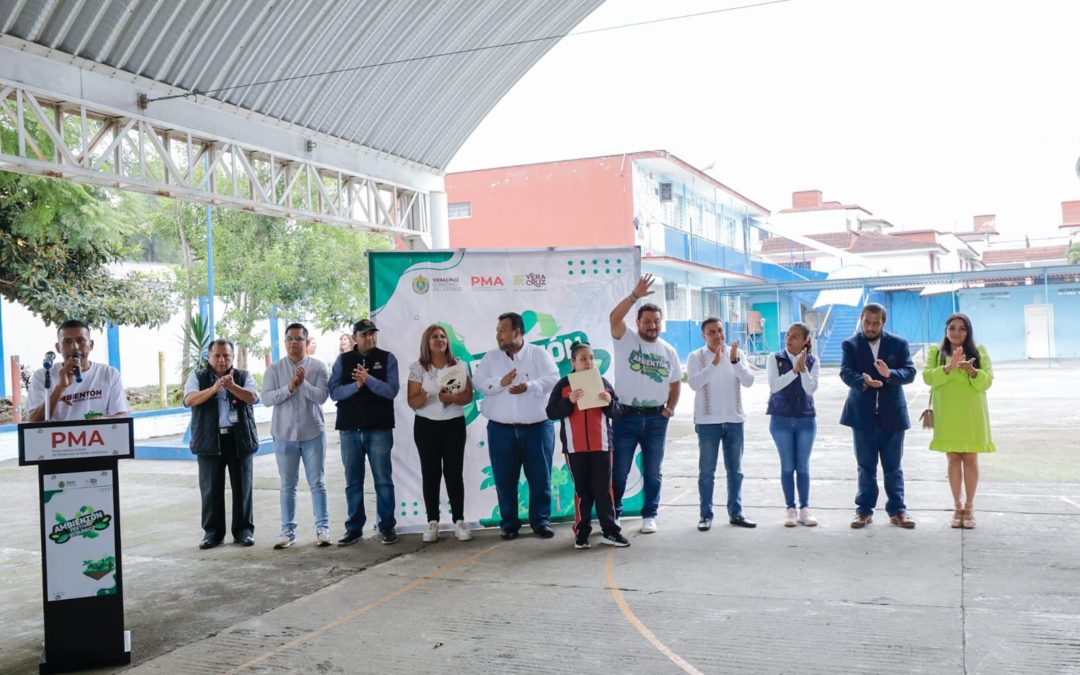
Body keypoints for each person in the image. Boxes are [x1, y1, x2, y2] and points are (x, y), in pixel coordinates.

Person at [473, 312, 559, 540]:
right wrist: (499, 383)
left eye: (502, 330)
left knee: (541, 478)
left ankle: (541, 522)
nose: (498, 335)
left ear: (517, 332)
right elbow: (478, 383)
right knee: (504, 478)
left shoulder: (538, 354)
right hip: (501, 430)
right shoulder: (491, 358)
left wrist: (529, 386)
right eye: (497, 330)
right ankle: (509, 524)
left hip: (537, 429)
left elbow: (554, 378)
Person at [608, 274, 682, 534]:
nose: (652, 326)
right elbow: (613, 319)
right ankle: (614, 514)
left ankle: (649, 514)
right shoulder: (626, 340)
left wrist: (669, 409)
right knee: (619, 471)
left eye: (656, 322)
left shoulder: (668, 351)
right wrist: (634, 296)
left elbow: (675, 384)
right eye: (647, 321)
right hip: (625, 416)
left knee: (653, 471)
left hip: (655, 419)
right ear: (638, 322)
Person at [839, 303, 917, 529]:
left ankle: (898, 510)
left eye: (876, 323)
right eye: (867, 322)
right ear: (861, 319)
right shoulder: (850, 344)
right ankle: (863, 511)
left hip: (892, 416)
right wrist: (863, 381)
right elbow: (845, 371)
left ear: (884, 323)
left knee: (893, 467)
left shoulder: (899, 344)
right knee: (866, 467)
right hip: (862, 416)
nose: (870, 327)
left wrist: (889, 374)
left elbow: (910, 372)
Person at [546, 342, 630, 549]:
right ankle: (582, 533)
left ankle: (610, 531)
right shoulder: (563, 385)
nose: (588, 362)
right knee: (583, 492)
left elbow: (618, 412)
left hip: (602, 446)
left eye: (591, 358)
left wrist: (609, 402)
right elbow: (551, 412)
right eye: (583, 359)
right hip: (575, 449)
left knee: (603, 491)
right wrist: (569, 401)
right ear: (572, 362)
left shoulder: (603, 383)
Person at [330, 319, 400, 546]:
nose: (369, 338)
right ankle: (354, 528)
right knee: (353, 482)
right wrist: (356, 386)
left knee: (383, 481)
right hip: (349, 431)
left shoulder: (387, 358)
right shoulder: (343, 360)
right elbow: (334, 392)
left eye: (372, 334)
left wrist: (368, 379)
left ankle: (387, 526)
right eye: (364, 335)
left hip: (379, 429)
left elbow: (391, 391)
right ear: (355, 338)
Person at [184, 339, 259, 549]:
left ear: (232, 358)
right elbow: (189, 399)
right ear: (208, 358)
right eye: (216, 355)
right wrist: (215, 388)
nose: (221, 359)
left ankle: (243, 531)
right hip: (209, 440)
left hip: (239, 440)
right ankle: (213, 534)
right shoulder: (197, 376)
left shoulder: (243, 376)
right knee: (210, 490)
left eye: (226, 355)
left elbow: (253, 397)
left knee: (243, 488)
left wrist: (232, 386)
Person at [262, 323, 331, 549]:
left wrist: (304, 385)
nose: (294, 343)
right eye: (290, 339)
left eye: (298, 339)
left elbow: (322, 397)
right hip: (283, 434)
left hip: (313, 432)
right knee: (287, 485)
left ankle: (323, 528)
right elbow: (267, 399)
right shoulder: (274, 369)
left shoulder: (319, 367)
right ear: (285, 342)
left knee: (317, 482)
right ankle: (287, 531)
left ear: (306, 341)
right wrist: (290, 387)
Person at [923, 313, 994, 529]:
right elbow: (928, 377)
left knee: (970, 459)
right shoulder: (936, 353)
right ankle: (956, 506)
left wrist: (973, 371)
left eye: (962, 328)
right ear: (946, 331)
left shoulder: (979, 352)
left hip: (972, 413)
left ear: (968, 331)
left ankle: (969, 507)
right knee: (953, 459)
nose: (956, 332)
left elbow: (987, 382)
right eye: (952, 327)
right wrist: (948, 367)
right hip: (947, 413)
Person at [406, 324, 475, 543]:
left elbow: (468, 397)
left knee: (454, 473)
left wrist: (452, 398)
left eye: (443, 336)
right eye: (434, 337)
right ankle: (432, 521)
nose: (440, 340)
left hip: (453, 424)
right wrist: (426, 394)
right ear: (427, 342)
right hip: (426, 426)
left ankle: (459, 521)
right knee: (431, 473)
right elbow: (412, 401)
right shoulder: (419, 368)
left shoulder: (459, 366)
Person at [687, 317, 756, 530]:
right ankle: (705, 515)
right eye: (711, 332)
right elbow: (694, 383)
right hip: (708, 422)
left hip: (734, 421)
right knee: (707, 471)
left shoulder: (737, 354)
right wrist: (713, 364)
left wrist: (734, 361)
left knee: (735, 471)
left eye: (720, 330)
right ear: (703, 335)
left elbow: (749, 381)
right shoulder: (695, 356)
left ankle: (736, 513)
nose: (717, 335)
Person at [766, 322, 820, 528]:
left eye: (795, 336)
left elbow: (810, 390)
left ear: (805, 341)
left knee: (803, 466)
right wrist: (793, 372)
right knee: (788, 466)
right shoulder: (775, 358)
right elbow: (774, 386)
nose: (789, 339)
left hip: (806, 419)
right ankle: (790, 509)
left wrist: (803, 369)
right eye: (788, 335)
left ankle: (805, 509)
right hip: (780, 419)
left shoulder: (814, 360)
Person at [28, 320, 127, 421]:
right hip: (58, 436)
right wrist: (60, 388)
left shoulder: (109, 374)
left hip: (97, 436)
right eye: (67, 342)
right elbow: (33, 421)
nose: (74, 347)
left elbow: (122, 418)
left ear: (91, 345)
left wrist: (100, 421)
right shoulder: (43, 375)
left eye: (80, 340)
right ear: (58, 347)